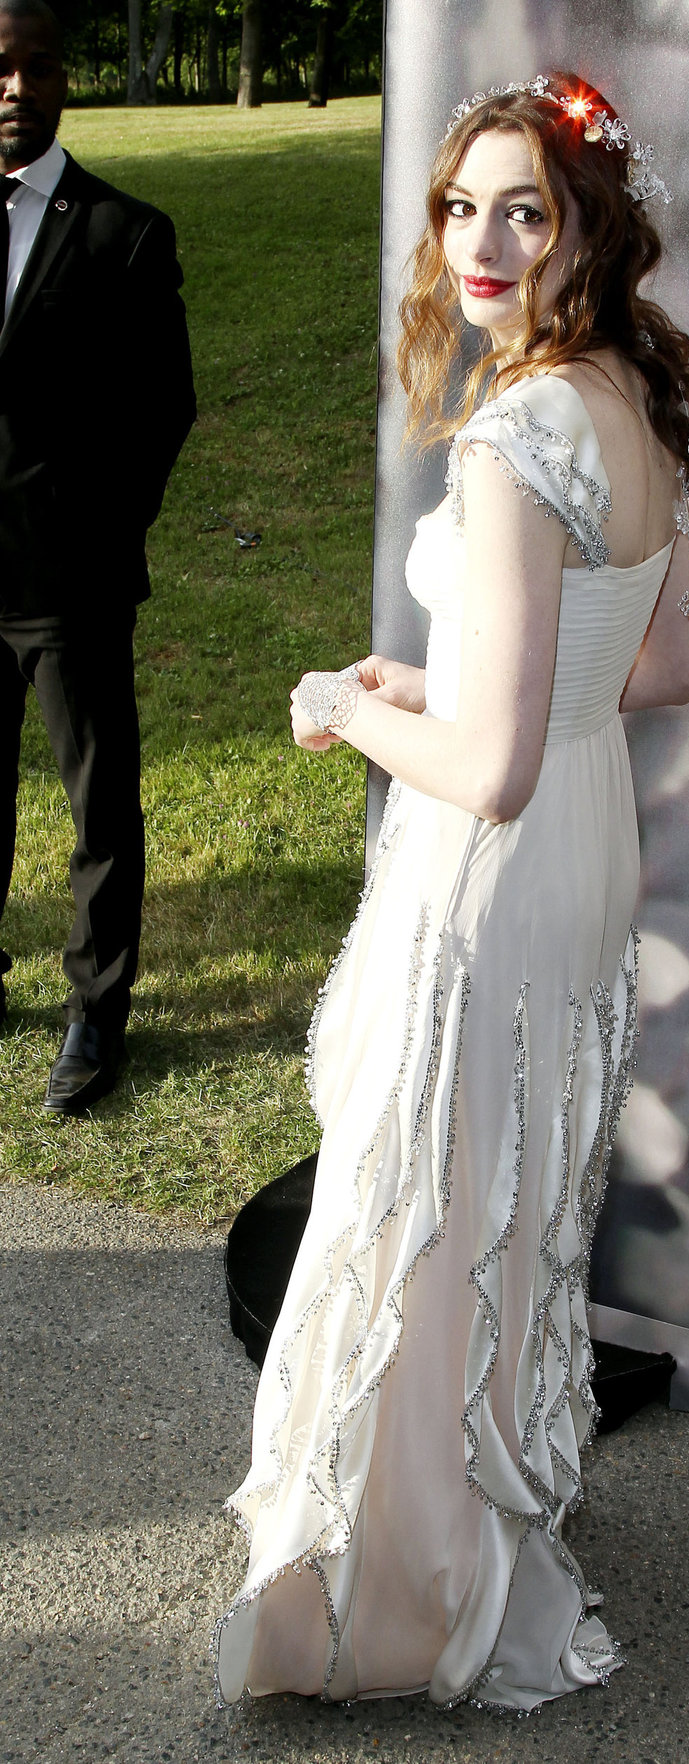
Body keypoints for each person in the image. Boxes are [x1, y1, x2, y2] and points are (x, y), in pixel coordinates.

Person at [215, 72, 689, 1712]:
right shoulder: (628, 399)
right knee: (504, 1202)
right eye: (461, 205)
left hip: (497, 860)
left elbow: (488, 771)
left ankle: (390, 1596)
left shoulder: (517, 434)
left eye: (525, 205)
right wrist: (440, 683)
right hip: (584, 844)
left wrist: (345, 704)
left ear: (584, 225)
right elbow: (656, 667)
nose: (484, 237)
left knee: (427, 1197)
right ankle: (464, 1535)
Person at [0, 0, 195, 1111]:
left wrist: (102, 532)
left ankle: (95, 1012)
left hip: (67, 583)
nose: (16, 89)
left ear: (64, 80)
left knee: (95, 805)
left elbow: (161, 407)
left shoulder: (125, 232)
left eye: (35, 68)